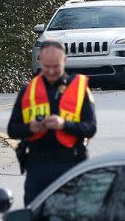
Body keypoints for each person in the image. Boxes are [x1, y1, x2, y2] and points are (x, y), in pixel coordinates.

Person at [8, 40, 97, 205]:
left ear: (65, 60)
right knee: (34, 219)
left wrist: (64, 125)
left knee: (67, 219)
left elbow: (91, 128)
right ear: (40, 61)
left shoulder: (79, 89)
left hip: (70, 163)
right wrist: (30, 128)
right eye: (46, 66)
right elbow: (12, 129)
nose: (50, 71)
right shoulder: (27, 91)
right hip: (37, 165)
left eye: (55, 66)